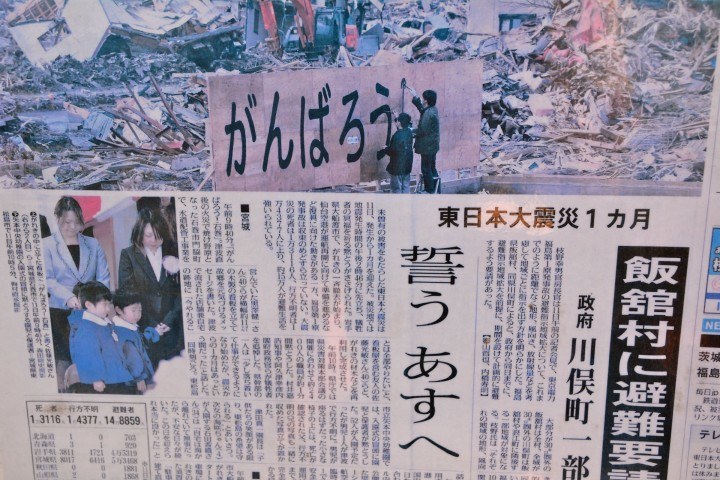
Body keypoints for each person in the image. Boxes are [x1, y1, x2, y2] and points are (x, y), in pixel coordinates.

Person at [43, 196, 110, 383]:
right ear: (57, 218)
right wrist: (68, 297)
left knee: (90, 355)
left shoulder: (93, 244)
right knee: (65, 359)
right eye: (67, 222)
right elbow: (47, 279)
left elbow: (103, 276)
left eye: (76, 222)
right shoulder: (47, 245)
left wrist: (98, 302)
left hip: (89, 312)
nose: (72, 227)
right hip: (60, 311)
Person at [118, 208, 183, 368]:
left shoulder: (174, 250)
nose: (153, 240)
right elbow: (128, 292)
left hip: (174, 324)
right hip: (146, 325)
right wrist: (153, 324)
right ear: (139, 233)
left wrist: (169, 319)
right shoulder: (129, 255)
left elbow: (182, 291)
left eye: (158, 236)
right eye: (148, 236)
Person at [68, 281, 134, 394]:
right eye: (105, 304)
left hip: (115, 376)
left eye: (109, 304)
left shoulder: (105, 323)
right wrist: (96, 378)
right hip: (102, 383)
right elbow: (88, 354)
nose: (108, 309)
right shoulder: (86, 328)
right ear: (88, 305)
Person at [112, 289, 157, 394]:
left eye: (140, 310)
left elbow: (140, 339)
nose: (137, 314)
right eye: (133, 310)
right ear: (119, 310)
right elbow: (132, 358)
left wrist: (155, 332)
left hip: (140, 377)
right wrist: (139, 378)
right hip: (134, 381)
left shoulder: (130, 326)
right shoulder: (122, 332)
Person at [411, 89, 440, 193]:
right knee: (432, 168)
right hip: (432, 146)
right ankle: (437, 189)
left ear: (426, 100)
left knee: (426, 169)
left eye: (423, 99)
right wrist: (415, 98)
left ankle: (430, 190)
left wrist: (411, 131)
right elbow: (423, 110)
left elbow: (422, 130)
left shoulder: (428, 114)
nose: (422, 100)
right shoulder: (433, 109)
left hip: (427, 147)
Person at [380, 112, 414, 193]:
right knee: (405, 188)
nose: (396, 122)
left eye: (397, 121)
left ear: (399, 123)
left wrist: (386, 149)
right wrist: (397, 117)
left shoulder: (396, 136)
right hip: (407, 167)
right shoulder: (409, 132)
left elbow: (393, 151)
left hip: (397, 168)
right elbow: (401, 129)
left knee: (397, 189)